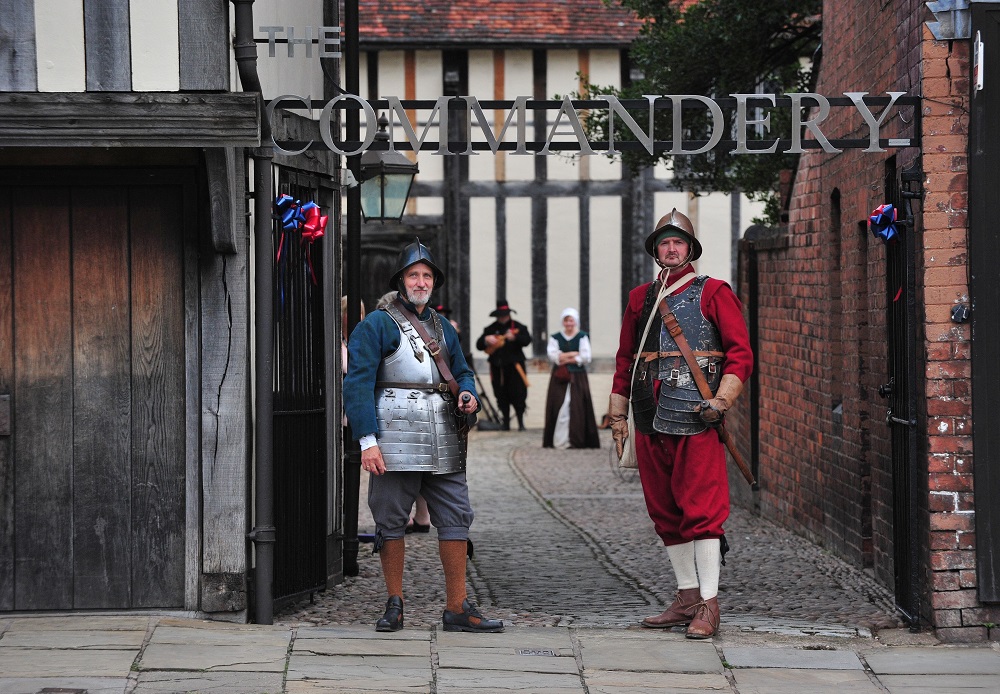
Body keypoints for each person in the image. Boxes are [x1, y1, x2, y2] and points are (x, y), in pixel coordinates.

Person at [344, 239, 504, 634]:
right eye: (414, 275)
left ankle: (457, 607)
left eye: (427, 275)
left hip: (444, 436)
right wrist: (367, 441)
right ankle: (395, 603)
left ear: (434, 281)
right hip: (393, 437)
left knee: (455, 517)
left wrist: (467, 393)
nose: (420, 281)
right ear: (401, 280)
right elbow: (357, 383)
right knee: (390, 520)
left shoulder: (442, 327)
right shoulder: (376, 324)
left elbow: (462, 372)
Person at [608, 209, 753, 639]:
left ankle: (709, 603)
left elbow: (739, 353)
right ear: (656, 250)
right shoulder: (639, 299)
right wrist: (619, 407)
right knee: (664, 510)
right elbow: (625, 358)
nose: (671, 249)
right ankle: (686, 596)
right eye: (664, 243)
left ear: (689, 249)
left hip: (697, 415)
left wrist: (722, 399)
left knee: (702, 510)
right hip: (650, 413)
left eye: (678, 242)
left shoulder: (713, 293)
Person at [542, 308, 601, 449]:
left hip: (577, 377)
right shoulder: (556, 337)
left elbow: (586, 357)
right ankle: (559, 441)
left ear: (575, 321)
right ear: (563, 322)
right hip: (559, 377)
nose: (569, 323)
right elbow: (555, 357)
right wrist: (574, 354)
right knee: (559, 405)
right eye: (566, 320)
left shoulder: (582, 336)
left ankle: (576, 439)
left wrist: (565, 356)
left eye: (571, 320)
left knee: (576, 407)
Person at [475, 300, 532, 430]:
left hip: (515, 367)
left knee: (518, 395)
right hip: (497, 368)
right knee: (501, 395)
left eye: (504, 314)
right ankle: (505, 423)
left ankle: (521, 423)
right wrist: (486, 339)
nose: (502, 317)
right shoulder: (490, 329)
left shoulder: (519, 327)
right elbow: (479, 345)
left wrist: (515, 338)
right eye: (500, 315)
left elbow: (527, 340)